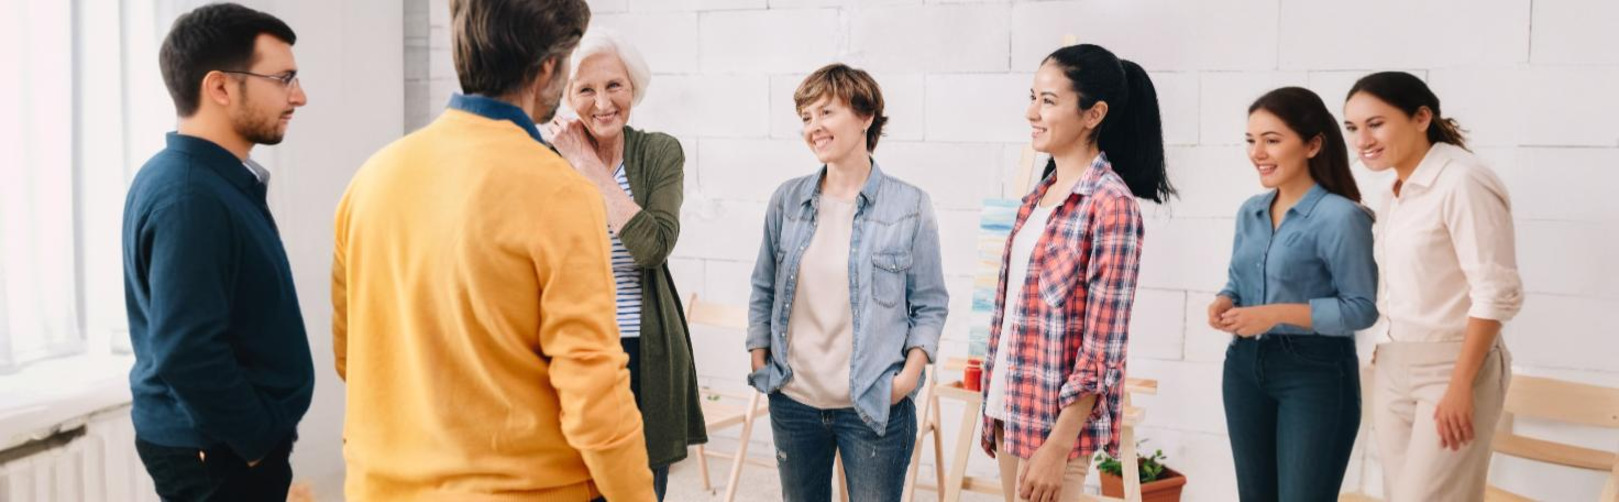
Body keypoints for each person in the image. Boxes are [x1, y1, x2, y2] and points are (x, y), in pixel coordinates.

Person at [331, 0, 653, 499]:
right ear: (550, 67)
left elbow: (352, 357)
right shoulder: (560, 192)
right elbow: (593, 396)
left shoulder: (371, 178)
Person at [122, 3, 313, 500]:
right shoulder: (191, 195)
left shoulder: (201, 181)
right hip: (220, 453)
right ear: (221, 87)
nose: (300, 96)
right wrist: (256, 441)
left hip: (221, 446)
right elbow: (188, 350)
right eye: (284, 78)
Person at [978, 43, 1174, 502]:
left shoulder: (1111, 205)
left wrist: (1058, 446)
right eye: (1033, 96)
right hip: (1011, 411)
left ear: (1093, 114)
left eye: (1048, 101)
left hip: (1053, 432)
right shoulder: (1038, 198)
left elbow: (1102, 348)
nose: (1032, 112)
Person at [746, 63, 949, 501]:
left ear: (865, 116)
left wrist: (907, 377)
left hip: (874, 405)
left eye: (826, 112)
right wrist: (760, 362)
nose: (814, 127)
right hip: (794, 400)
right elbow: (763, 286)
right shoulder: (787, 200)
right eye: (806, 117)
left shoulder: (909, 205)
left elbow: (930, 304)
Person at [1344, 71, 1523, 501]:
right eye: (1352, 127)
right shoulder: (1396, 193)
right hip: (1392, 364)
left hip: (1453, 366)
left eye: (1376, 123)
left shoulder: (1462, 180)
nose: (1362, 139)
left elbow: (1496, 290)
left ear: (1421, 117)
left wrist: (1461, 383)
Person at [544, 29, 706, 501]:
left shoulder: (658, 152)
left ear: (634, 88)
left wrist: (590, 167)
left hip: (644, 351)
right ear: (568, 97)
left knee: (638, 488)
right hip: (575, 352)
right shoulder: (546, 161)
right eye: (586, 90)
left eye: (614, 85)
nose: (602, 103)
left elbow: (653, 246)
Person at [1211, 87, 1377, 501]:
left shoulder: (1341, 217)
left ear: (1313, 144)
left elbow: (1361, 309)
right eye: (1251, 141)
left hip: (1315, 375)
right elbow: (1237, 280)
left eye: (1272, 140)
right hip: (1244, 367)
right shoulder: (1250, 210)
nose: (1258, 153)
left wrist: (1274, 314)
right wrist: (1224, 301)